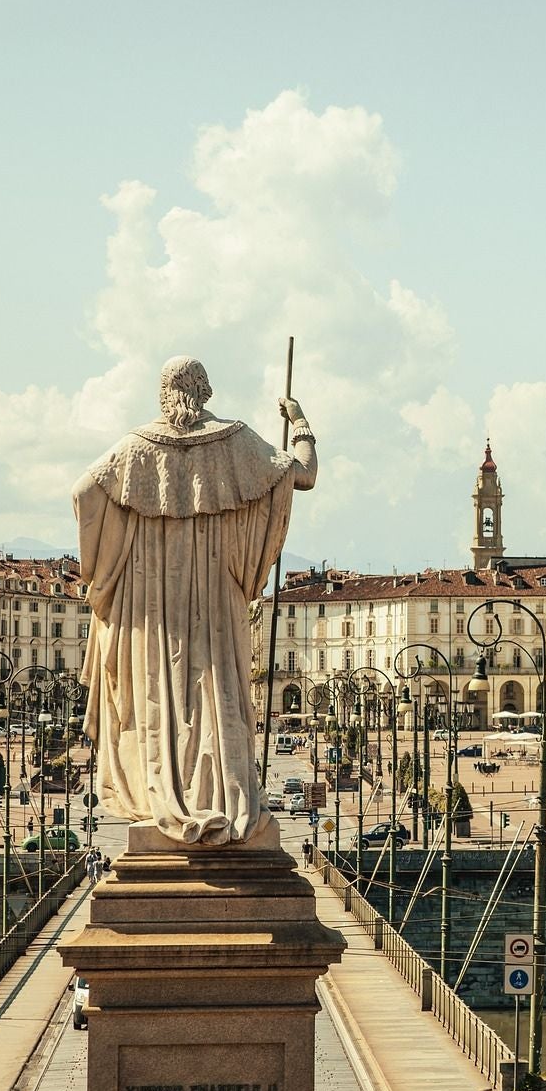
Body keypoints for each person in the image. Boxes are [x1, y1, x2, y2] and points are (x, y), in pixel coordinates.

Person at [75, 358, 315, 846]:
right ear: (204, 391)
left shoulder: (135, 448)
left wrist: (99, 569)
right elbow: (303, 474)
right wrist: (299, 421)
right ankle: (224, 794)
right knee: (217, 691)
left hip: (151, 601)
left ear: (164, 393)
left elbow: (84, 493)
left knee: (159, 697)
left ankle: (164, 792)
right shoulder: (236, 440)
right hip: (216, 597)